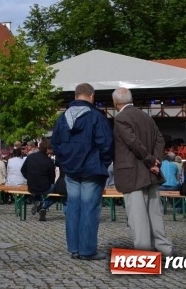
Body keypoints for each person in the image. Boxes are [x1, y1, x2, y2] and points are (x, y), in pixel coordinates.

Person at [51, 82, 114, 261]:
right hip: (92, 170)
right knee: (89, 209)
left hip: (70, 170)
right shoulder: (96, 116)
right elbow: (107, 144)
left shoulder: (62, 118)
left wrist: (65, 161)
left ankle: (74, 249)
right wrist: (102, 162)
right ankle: (87, 250)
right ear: (92, 96)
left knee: (73, 208)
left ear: (76, 96)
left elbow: (54, 143)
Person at [111, 87, 173, 254]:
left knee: (138, 218)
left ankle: (144, 254)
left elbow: (133, 143)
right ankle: (163, 248)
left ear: (115, 102)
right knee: (155, 214)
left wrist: (151, 160)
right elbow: (160, 139)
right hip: (151, 173)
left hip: (133, 173)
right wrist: (156, 160)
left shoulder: (121, 119)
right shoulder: (146, 117)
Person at [21, 139, 56, 221]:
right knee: (58, 191)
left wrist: (29, 178)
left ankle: (39, 205)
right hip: (44, 186)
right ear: (47, 149)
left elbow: (23, 170)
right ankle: (44, 206)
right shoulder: (49, 161)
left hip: (31, 186)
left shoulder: (30, 157)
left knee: (37, 192)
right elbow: (52, 178)